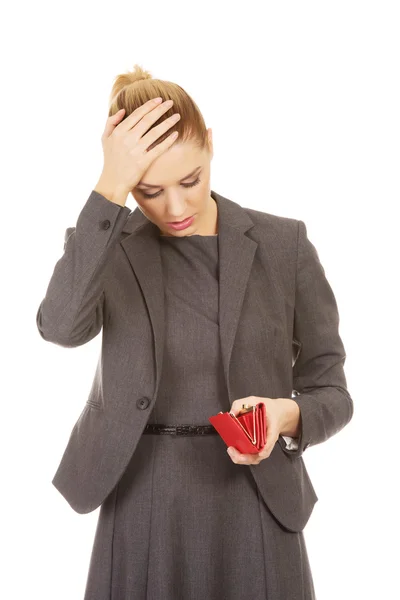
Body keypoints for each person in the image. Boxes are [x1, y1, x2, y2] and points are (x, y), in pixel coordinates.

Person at [36, 64, 354, 599]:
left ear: (210, 144)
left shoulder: (284, 245)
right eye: (148, 190)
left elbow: (333, 391)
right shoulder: (106, 245)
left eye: (190, 180)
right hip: (144, 496)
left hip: (255, 497)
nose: (175, 208)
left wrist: (285, 415)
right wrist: (111, 186)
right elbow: (60, 327)